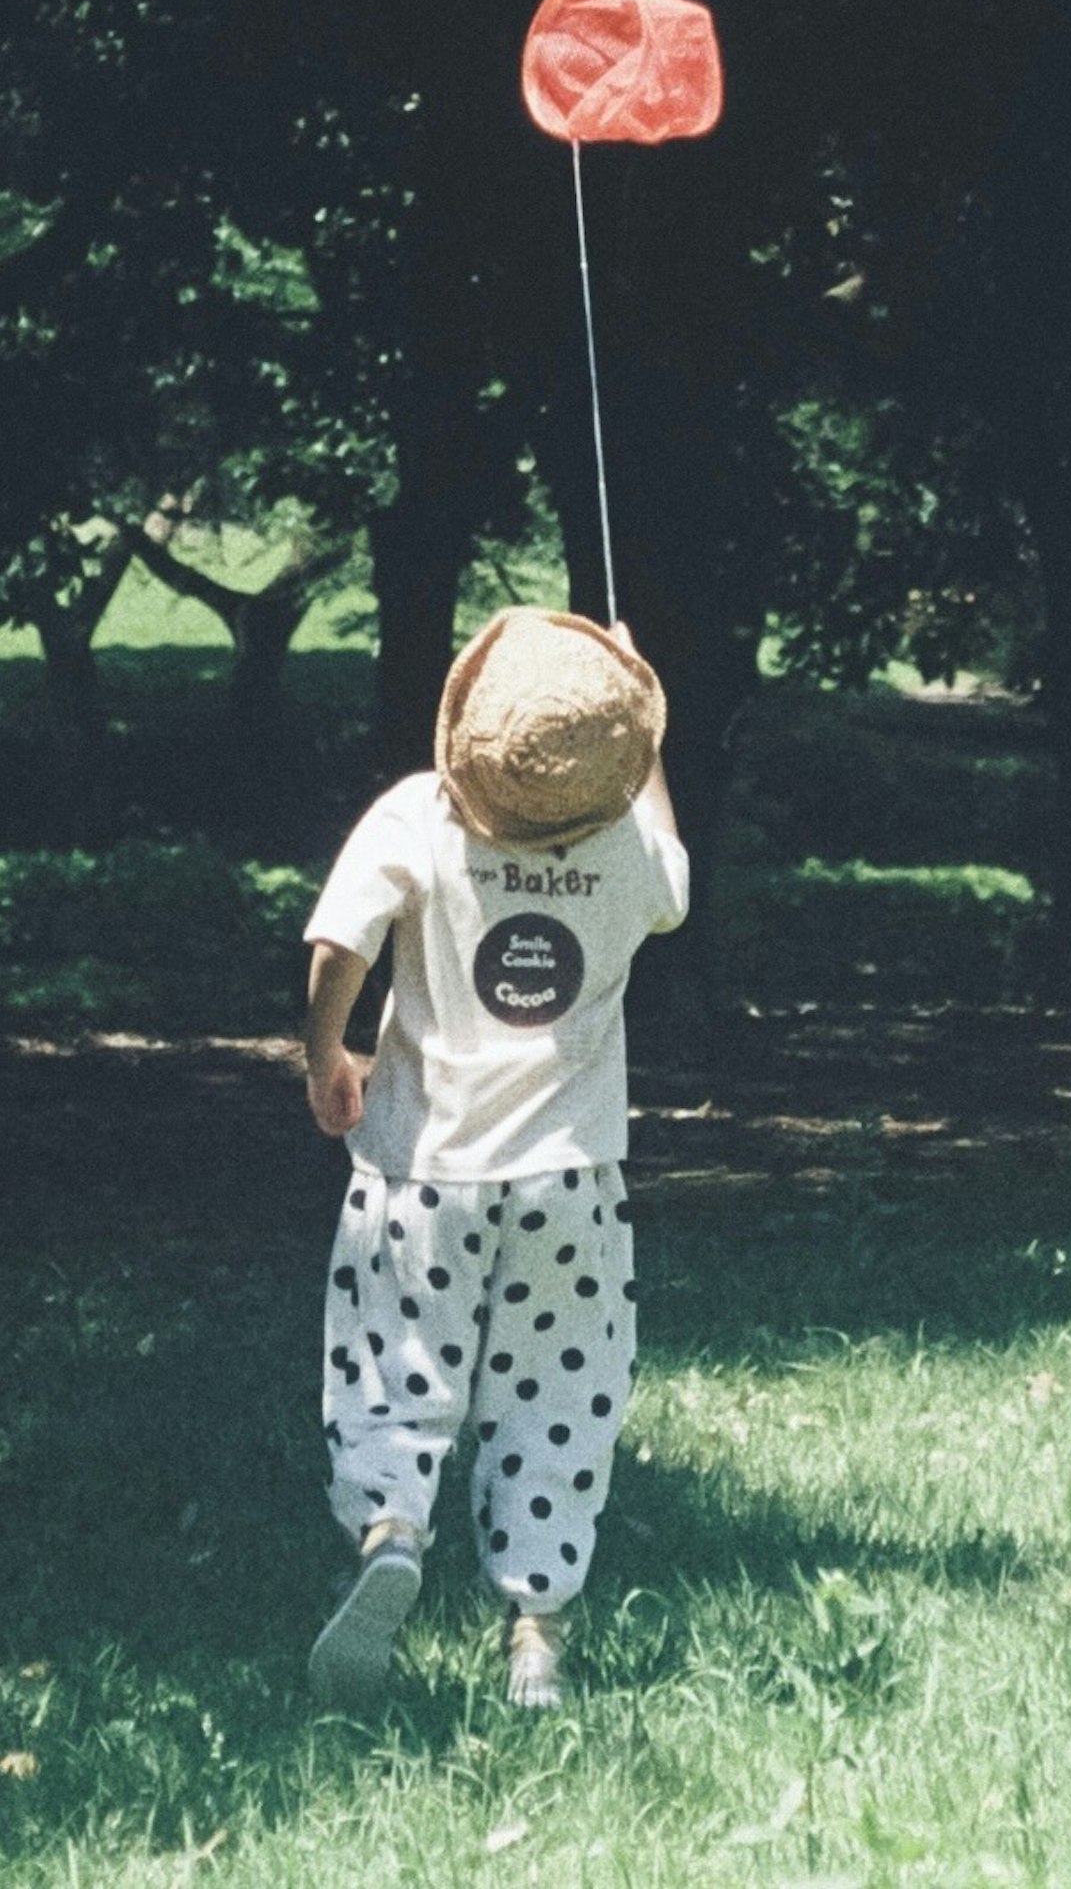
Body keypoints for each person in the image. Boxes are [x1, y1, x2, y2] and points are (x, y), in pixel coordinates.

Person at [296, 606, 687, 1712]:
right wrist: (641, 735)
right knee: (559, 1394)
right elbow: (676, 870)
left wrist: (327, 1055)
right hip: (571, 1176)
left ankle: (390, 1530)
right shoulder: (623, 847)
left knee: (393, 1365)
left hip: (422, 1169)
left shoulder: (418, 816)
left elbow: (338, 942)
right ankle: (537, 1636)